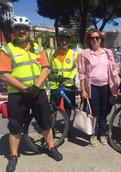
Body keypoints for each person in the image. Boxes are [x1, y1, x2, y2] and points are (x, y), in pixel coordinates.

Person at [0, 16, 63, 172]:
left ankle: (51, 147)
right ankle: (14, 156)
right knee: (15, 127)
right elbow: (3, 74)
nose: (22, 31)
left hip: (38, 92)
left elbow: (46, 68)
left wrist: (36, 86)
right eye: (18, 28)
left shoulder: (38, 48)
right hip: (18, 95)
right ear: (13, 31)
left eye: (25, 28)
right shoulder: (7, 49)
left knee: (45, 123)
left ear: (29, 31)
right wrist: (25, 89)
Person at [79, 28, 118, 147]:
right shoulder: (85, 53)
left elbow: (113, 70)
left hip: (106, 86)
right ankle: (93, 134)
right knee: (94, 112)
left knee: (104, 110)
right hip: (93, 87)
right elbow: (82, 74)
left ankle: (102, 133)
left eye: (97, 38)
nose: (95, 40)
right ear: (89, 40)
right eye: (92, 38)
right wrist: (83, 90)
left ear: (101, 39)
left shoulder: (107, 53)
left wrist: (116, 86)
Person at [46, 29, 79, 120]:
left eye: (66, 40)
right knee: (52, 109)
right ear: (58, 40)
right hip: (54, 85)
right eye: (61, 39)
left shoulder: (74, 54)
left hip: (68, 86)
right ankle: (51, 127)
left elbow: (82, 69)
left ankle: (67, 126)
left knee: (68, 108)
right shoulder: (50, 53)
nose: (64, 42)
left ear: (69, 41)